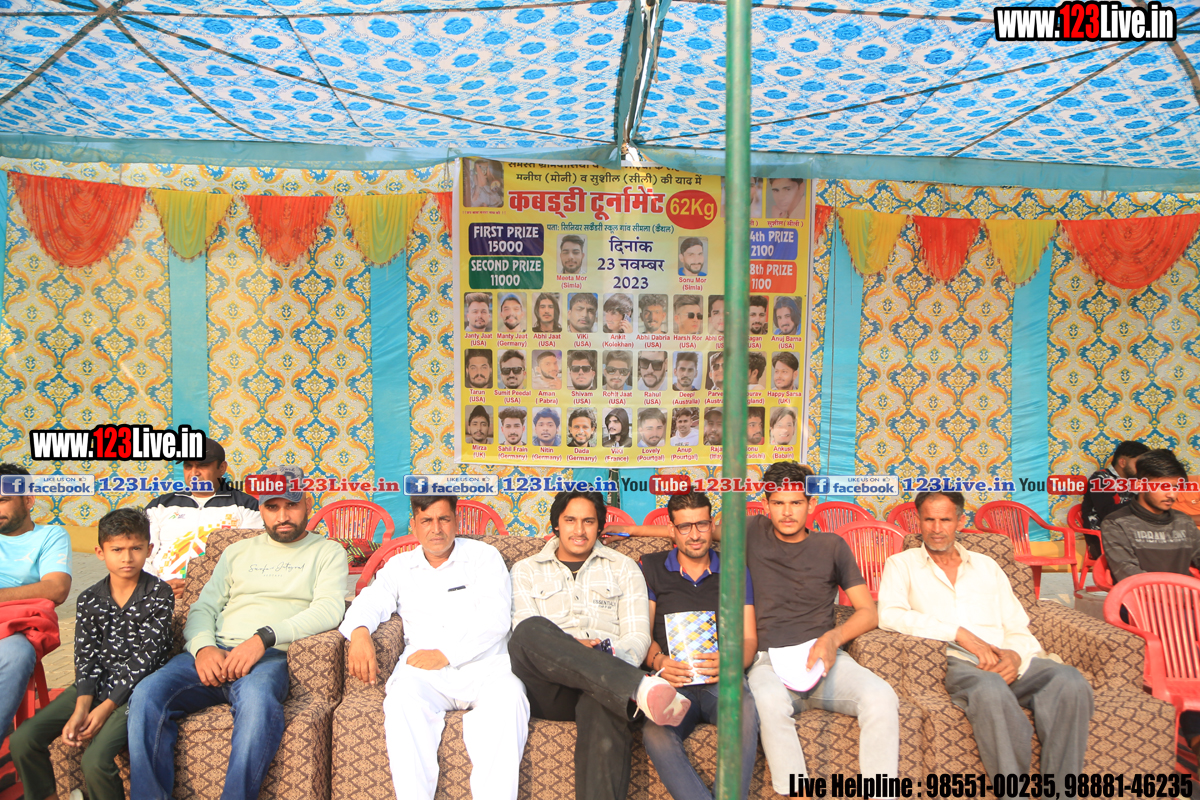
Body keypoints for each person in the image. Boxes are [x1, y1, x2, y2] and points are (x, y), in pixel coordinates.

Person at [128, 465, 348, 800]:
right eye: (272, 507)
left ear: (307, 504)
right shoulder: (237, 552)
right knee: (146, 695)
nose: (282, 516)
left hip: (269, 656)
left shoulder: (327, 551)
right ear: (261, 509)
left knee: (258, 704)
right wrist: (203, 647)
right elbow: (203, 607)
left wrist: (263, 638)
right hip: (213, 651)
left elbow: (329, 609)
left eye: (291, 505)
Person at [878, 491, 1094, 780]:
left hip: (1006, 657)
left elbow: (1016, 623)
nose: (937, 528)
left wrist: (1015, 656)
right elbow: (889, 615)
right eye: (929, 520)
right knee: (990, 687)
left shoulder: (987, 566)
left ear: (960, 521)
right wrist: (958, 633)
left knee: (1070, 680)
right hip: (958, 661)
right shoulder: (901, 564)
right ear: (919, 521)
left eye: (945, 520)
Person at [342, 495, 529, 800]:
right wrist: (360, 633)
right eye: (427, 520)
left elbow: (496, 619)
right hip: (425, 672)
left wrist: (446, 655)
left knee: (511, 698)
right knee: (402, 699)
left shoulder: (484, 557)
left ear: (456, 522)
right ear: (414, 525)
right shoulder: (400, 566)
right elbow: (370, 601)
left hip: (486, 667)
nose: (436, 529)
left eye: (444, 519)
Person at [508, 490, 689, 800]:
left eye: (588, 521)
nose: (579, 530)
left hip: (606, 679)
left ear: (599, 526)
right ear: (556, 524)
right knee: (528, 630)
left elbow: (638, 636)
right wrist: (573, 648)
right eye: (570, 520)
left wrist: (606, 656)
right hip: (550, 687)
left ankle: (621, 684)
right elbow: (523, 633)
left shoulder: (623, 567)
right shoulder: (525, 570)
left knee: (604, 700)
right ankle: (637, 687)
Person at [745, 461, 899, 792]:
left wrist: (833, 638)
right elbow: (693, 532)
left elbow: (868, 612)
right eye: (778, 503)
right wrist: (632, 532)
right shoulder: (751, 530)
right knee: (768, 703)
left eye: (796, 502)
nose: (787, 512)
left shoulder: (832, 546)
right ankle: (797, 794)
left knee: (881, 697)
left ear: (812, 503)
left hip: (825, 661)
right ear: (766, 504)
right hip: (768, 662)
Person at [12, 508, 173, 800]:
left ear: (149, 550)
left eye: (136, 548)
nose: (127, 557)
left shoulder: (159, 593)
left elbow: (146, 660)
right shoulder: (89, 598)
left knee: (95, 761)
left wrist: (104, 708)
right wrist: (82, 706)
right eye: (117, 549)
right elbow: (85, 657)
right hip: (95, 684)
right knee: (23, 739)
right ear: (100, 552)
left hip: (137, 691)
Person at [639, 491, 759, 800]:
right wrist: (658, 661)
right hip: (673, 681)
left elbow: (749, 639)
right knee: (655, 731)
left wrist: (732, 662)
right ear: (672, 530)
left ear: (712, 525)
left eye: (702, 524)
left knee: (743, 710)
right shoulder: (650, 567)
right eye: (685, 526)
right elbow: (642, 634)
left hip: (720, 681)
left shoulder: (735, 569)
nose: (695, 535)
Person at [1103, 449, 1200, 761]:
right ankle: (1195, 738)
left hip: (1187, 611)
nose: (1173, 494)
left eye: (1177, 487)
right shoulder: (1117, 523)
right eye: (1164, 486)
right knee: (1180, 651)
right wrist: (1180, 599)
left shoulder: (1184, 523)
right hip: (1142, 613)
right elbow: (1128, 575)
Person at [0, 463, 72, 743]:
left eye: (3, 500)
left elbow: (57, 588)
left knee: (17, 654)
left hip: (15, 629)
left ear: (28, 500)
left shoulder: (50, 536)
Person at [146, 438, 261, 595]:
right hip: (161, 594)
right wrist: (158, 587)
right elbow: (142, 555)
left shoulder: (246, 506)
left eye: (202, 465)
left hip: (218, 595)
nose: (194, 473)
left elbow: (249, 558)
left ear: (222, 468)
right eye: (188, 466)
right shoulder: (159, 506)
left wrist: (198, 587)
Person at [1080, 440, 1149, 556]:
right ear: (1122, 462)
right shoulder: (1101, 479)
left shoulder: (1136, 481)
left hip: (1132, 535)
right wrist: (1141, 499)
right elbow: (1107, 513)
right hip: (1104, 539)